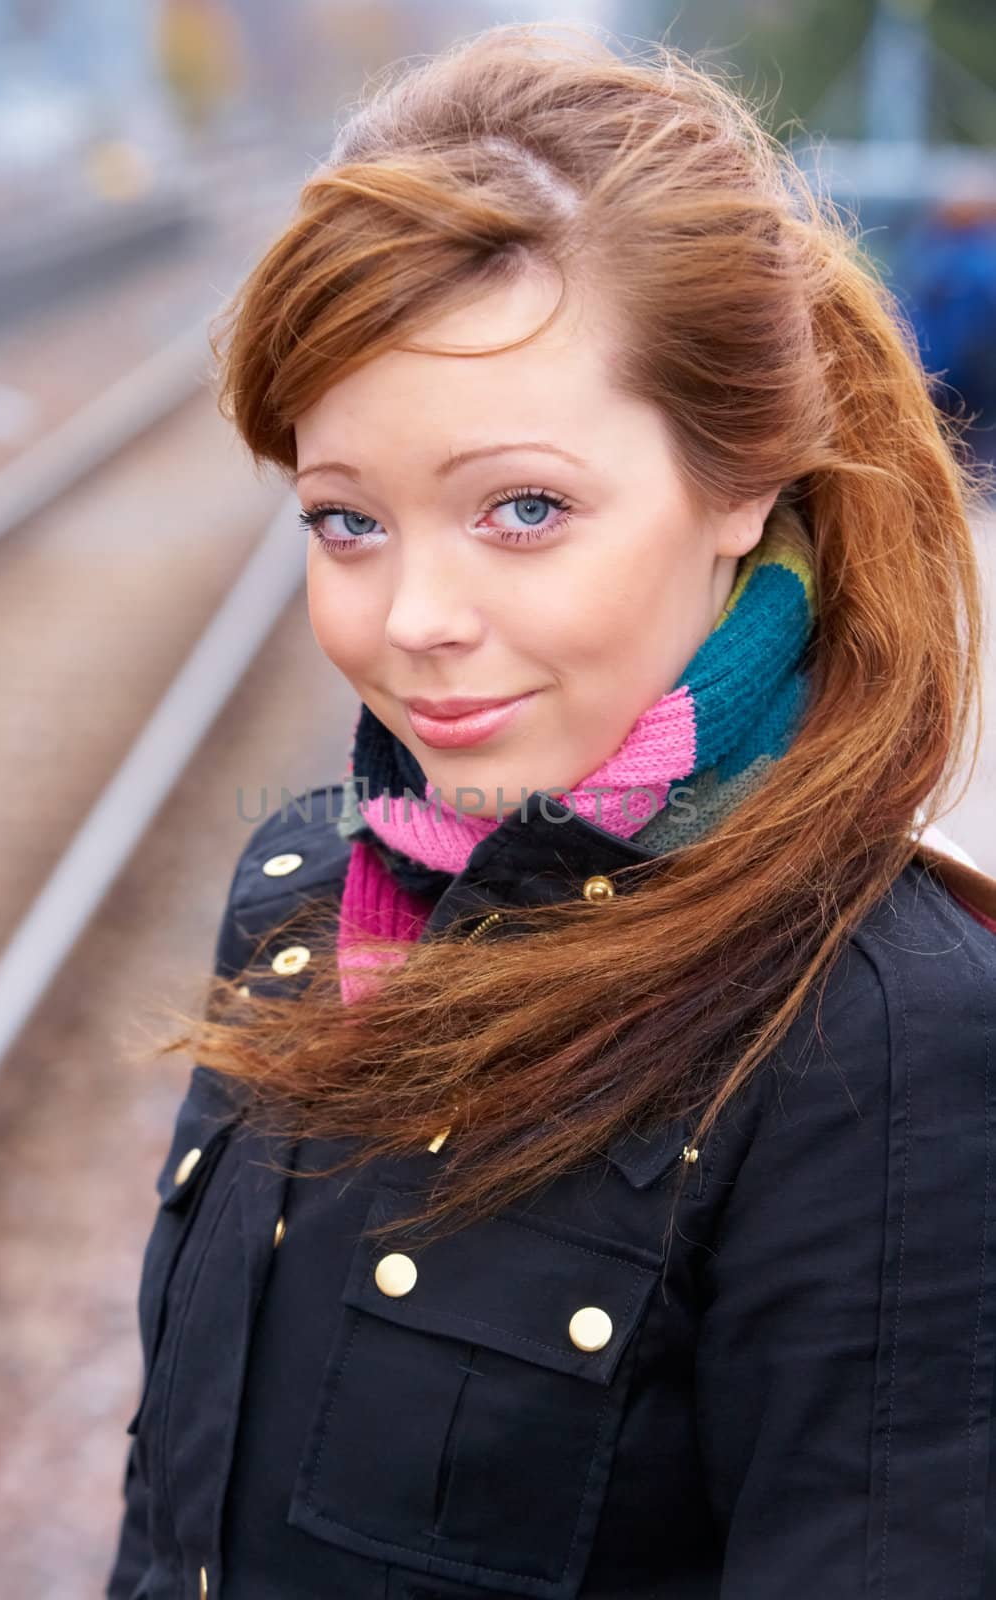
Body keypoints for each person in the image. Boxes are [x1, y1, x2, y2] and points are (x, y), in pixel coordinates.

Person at [105, 23, 996, 1600]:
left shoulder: (877, 1042)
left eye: (524, 509)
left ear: (741, 483)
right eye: (347, 520)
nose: (415, 617)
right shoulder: (302, 896)